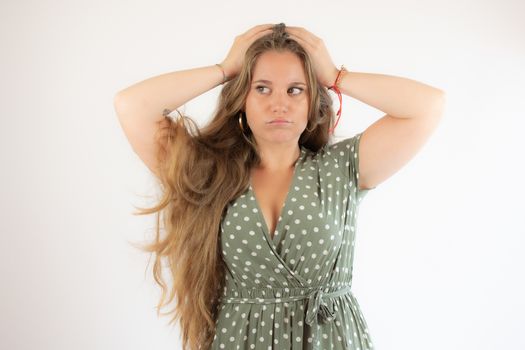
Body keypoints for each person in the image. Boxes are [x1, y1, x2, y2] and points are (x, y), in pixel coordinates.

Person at [114, 23, 446, 350]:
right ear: (241, 99)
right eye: (262, 88)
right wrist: (225, 68)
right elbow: (132, 106)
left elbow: (427, 107)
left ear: (312, 103)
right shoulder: (208, 173)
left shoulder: (340, 169)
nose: (279, 103)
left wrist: (334, 76)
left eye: (295, 89)